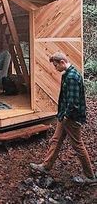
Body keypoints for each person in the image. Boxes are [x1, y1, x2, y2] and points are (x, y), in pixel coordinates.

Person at [30, 52, 96, 184]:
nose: (55, 68)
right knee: (55, 140)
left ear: (62, 62)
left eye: (56, 66)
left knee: (78, 145)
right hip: (65, 116)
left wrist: (66, 116)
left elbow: (73, 102)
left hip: (71, 117)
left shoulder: (71, 77)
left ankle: (90, 176)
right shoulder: (68, 74)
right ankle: (46, 166)